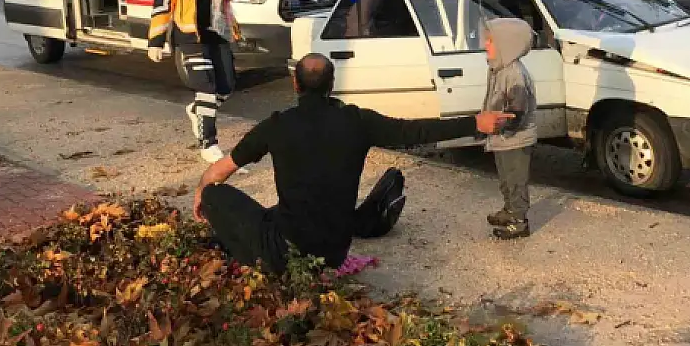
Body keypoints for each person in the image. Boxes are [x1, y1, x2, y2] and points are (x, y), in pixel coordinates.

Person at [192, 52, 514, 274]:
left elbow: (221, 170)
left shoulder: (276, 125)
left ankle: (254, 260)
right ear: (332, 84)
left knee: (216, 194)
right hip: (334, 251)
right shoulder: (357, 121)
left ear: (295, 84)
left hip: (287, 250)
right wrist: (475, 123)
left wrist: (201, 194)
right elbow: (415, 131)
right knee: (277, 212)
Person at [147, 0, 242, 163]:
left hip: (216, 32)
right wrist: (156, 40)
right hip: (189, 35)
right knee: (206, 88)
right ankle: (208, 144)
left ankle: (197, 111)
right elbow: (163, 1)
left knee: (226, 87)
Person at [481, 18, 538, 240]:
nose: (486, 45)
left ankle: (519, 220)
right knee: (505, 178)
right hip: (502, 139)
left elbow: (517, 111)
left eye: (491, 41)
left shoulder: (514, 74)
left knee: (516, 180)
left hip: (515, 139)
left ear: (507, 44)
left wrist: (502, 126)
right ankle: (509, 210)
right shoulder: (498, 69)